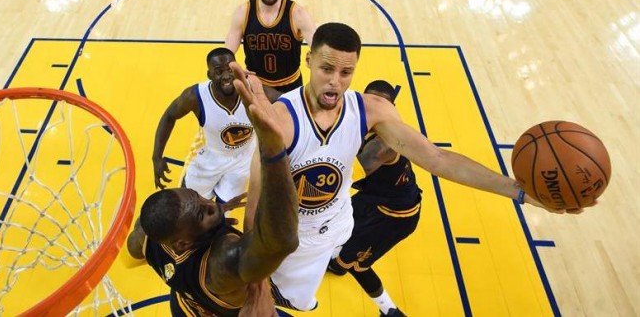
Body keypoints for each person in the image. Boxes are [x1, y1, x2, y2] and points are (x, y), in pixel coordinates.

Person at [243, 22, 582, 312]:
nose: (336, 82)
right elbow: (256, 205)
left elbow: (438, 159)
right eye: (327, 69)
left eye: (346, 72)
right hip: (294, 236)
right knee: (272, 302)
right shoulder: (282, 121)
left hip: (339, 221)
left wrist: (520, 191)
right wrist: (255, 284)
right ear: (309, 60)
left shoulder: (371, 110)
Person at [128, 64, 299, 316]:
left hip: (185, 307)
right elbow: (281, 241)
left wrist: (211, 214)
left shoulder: (147, 235)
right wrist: (272, 150)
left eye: (198, 197)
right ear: (183, 243)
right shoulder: (221, 262)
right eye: (201, 213)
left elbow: (136, 243)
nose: (210, 203)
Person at [325, 80, 420, 317]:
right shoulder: (365, 122)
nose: (373, 106)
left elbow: (344, 172)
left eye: (381, 103)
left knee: (359, 266)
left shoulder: (384, 143)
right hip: (375, 197)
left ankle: (390, 311)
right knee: (336, 220)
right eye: (370, 100)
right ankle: (338, 263)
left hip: (394, 216)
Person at [152, 47, 255, 204]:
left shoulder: (254, 89)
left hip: (243, 159)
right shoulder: (195, 96)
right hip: (208, 157)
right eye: (219, 71)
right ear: (209, 75)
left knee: (224, 212)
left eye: (230, 69)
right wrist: (156, 157)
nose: (227, 76)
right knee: (190, 205)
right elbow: (169, 116)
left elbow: (284, 102)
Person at [225, 0, 315, 100]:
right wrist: (235, 68)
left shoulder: (297, 13)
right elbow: (227, 53)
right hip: (256, 85)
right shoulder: (243, 12)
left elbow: (319, 50)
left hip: (290, 86)